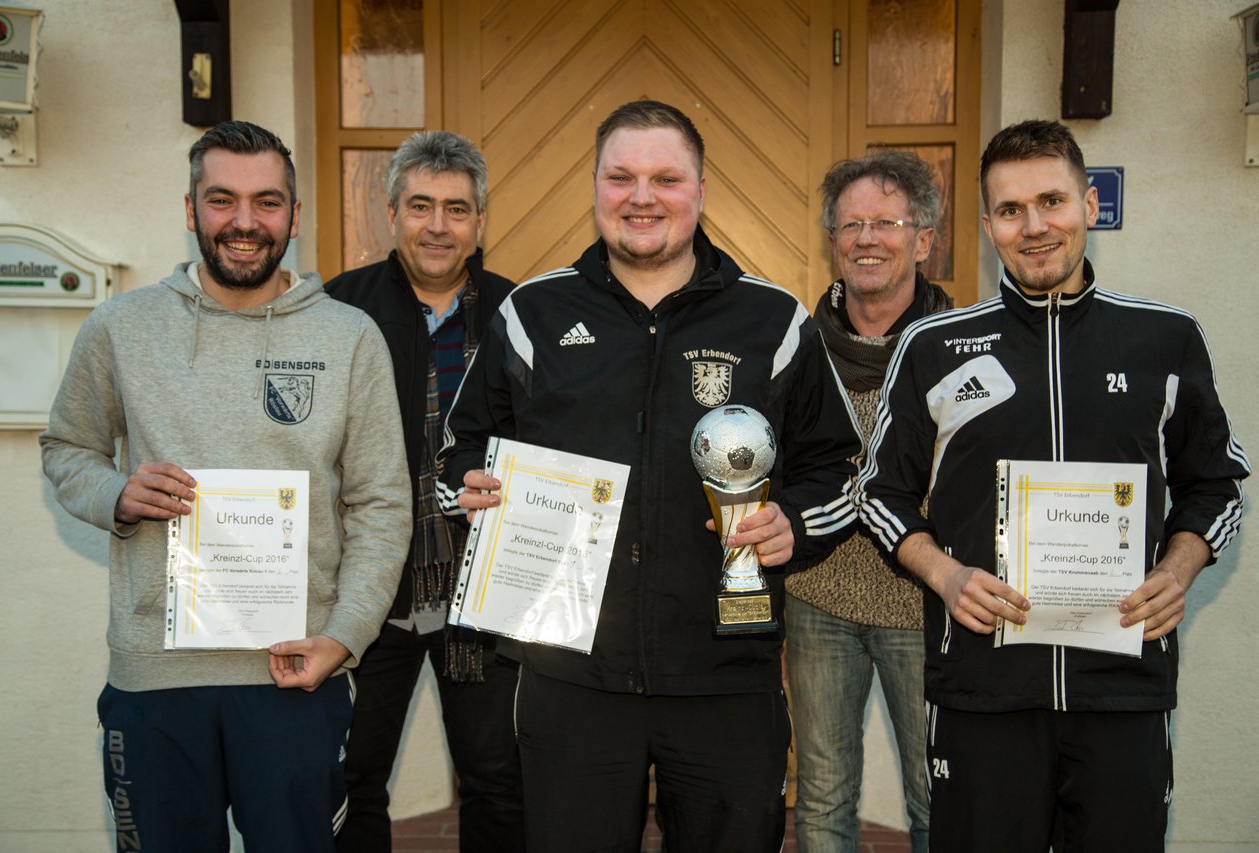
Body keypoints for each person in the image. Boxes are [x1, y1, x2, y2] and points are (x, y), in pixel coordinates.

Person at [437, 99, 862, 852]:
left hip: (727, 673)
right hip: (571, 675)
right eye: (620, 176)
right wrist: (471, 483)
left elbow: (840, 468)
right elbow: (458, 451)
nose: (641, 197)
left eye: (666, 178)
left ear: (700, 191)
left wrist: (792, 521)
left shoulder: (774, 321)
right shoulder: (532, 313)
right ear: (594, 186)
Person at [857, 119, 1250, 852]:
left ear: (1089, 205)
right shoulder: (934, 346)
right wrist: (945, 576)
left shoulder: (1166, 339)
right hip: (983, 689)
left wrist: (1179, 567)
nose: (1034, 226)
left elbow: (1217, 486)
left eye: (1052, 201)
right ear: (987, 225)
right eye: (1010, 210)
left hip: (1123, 687)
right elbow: (878, 496)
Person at [40, 121, 412, 853]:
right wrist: (115, 493)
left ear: (294, 216)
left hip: (294, 674)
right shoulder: (120, 328)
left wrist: (344, 636)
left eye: (267, 202)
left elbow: (380, 504)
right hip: (155, 679)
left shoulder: (349, 337)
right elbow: (67, 448)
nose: (245, 222)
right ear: (190, 210)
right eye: (222, 200)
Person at [325, 130, 523, 853]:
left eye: (456, 209)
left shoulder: (519, 315)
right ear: (390, 214)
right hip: (367, 589)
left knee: (498, 778)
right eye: (420, 206)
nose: (438, 225)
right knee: (352, 776)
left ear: (480, 222)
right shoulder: (336, 311)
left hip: (483, 589)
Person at [785, 151, 952, 853]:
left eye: (887, 221)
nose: (866, 238)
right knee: (822, 796)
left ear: (923, 239)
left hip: (926, 602)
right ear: (832, 241)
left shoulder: (963, 346)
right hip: (817, 600)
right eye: (851, 223)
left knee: (936, 792)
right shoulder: (793, 346)